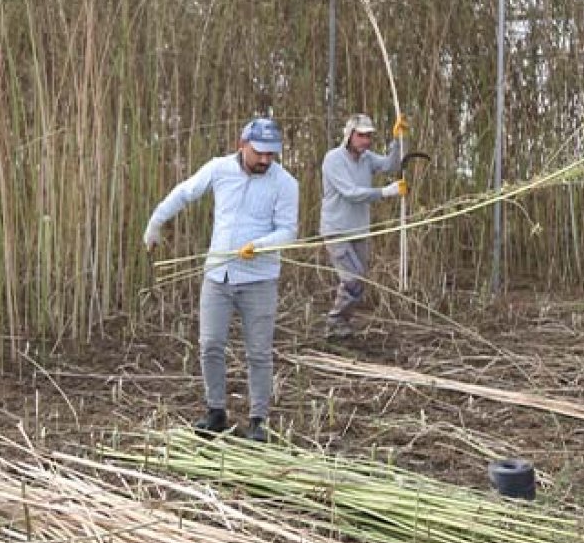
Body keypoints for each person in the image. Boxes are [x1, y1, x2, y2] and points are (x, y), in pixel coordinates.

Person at [143, 118, 299, 442]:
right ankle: (216, 412)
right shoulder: (219, 169)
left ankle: (259, 421)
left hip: (260, 279)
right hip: (218, 275)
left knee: (258, 352)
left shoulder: (286, 184)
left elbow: (288, 231)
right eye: (259, 153)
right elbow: (185, 193)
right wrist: (156, 222)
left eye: (272, 154)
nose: (266, 160)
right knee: (210, 344)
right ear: (242, 144)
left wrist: (260, 246)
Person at [318, 113, 408, 338]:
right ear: (349, 135)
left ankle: (342, 323)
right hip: (337, 230)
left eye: (369, 136)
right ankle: (335, 321)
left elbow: (390, 165)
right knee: (353, 279)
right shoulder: (333, 159)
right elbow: (350, 193)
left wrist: (397, 140)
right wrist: (386, 192)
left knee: (358, 279)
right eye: (361, 136)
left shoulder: (367, 158)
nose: (366, 141)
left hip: (359, 229)